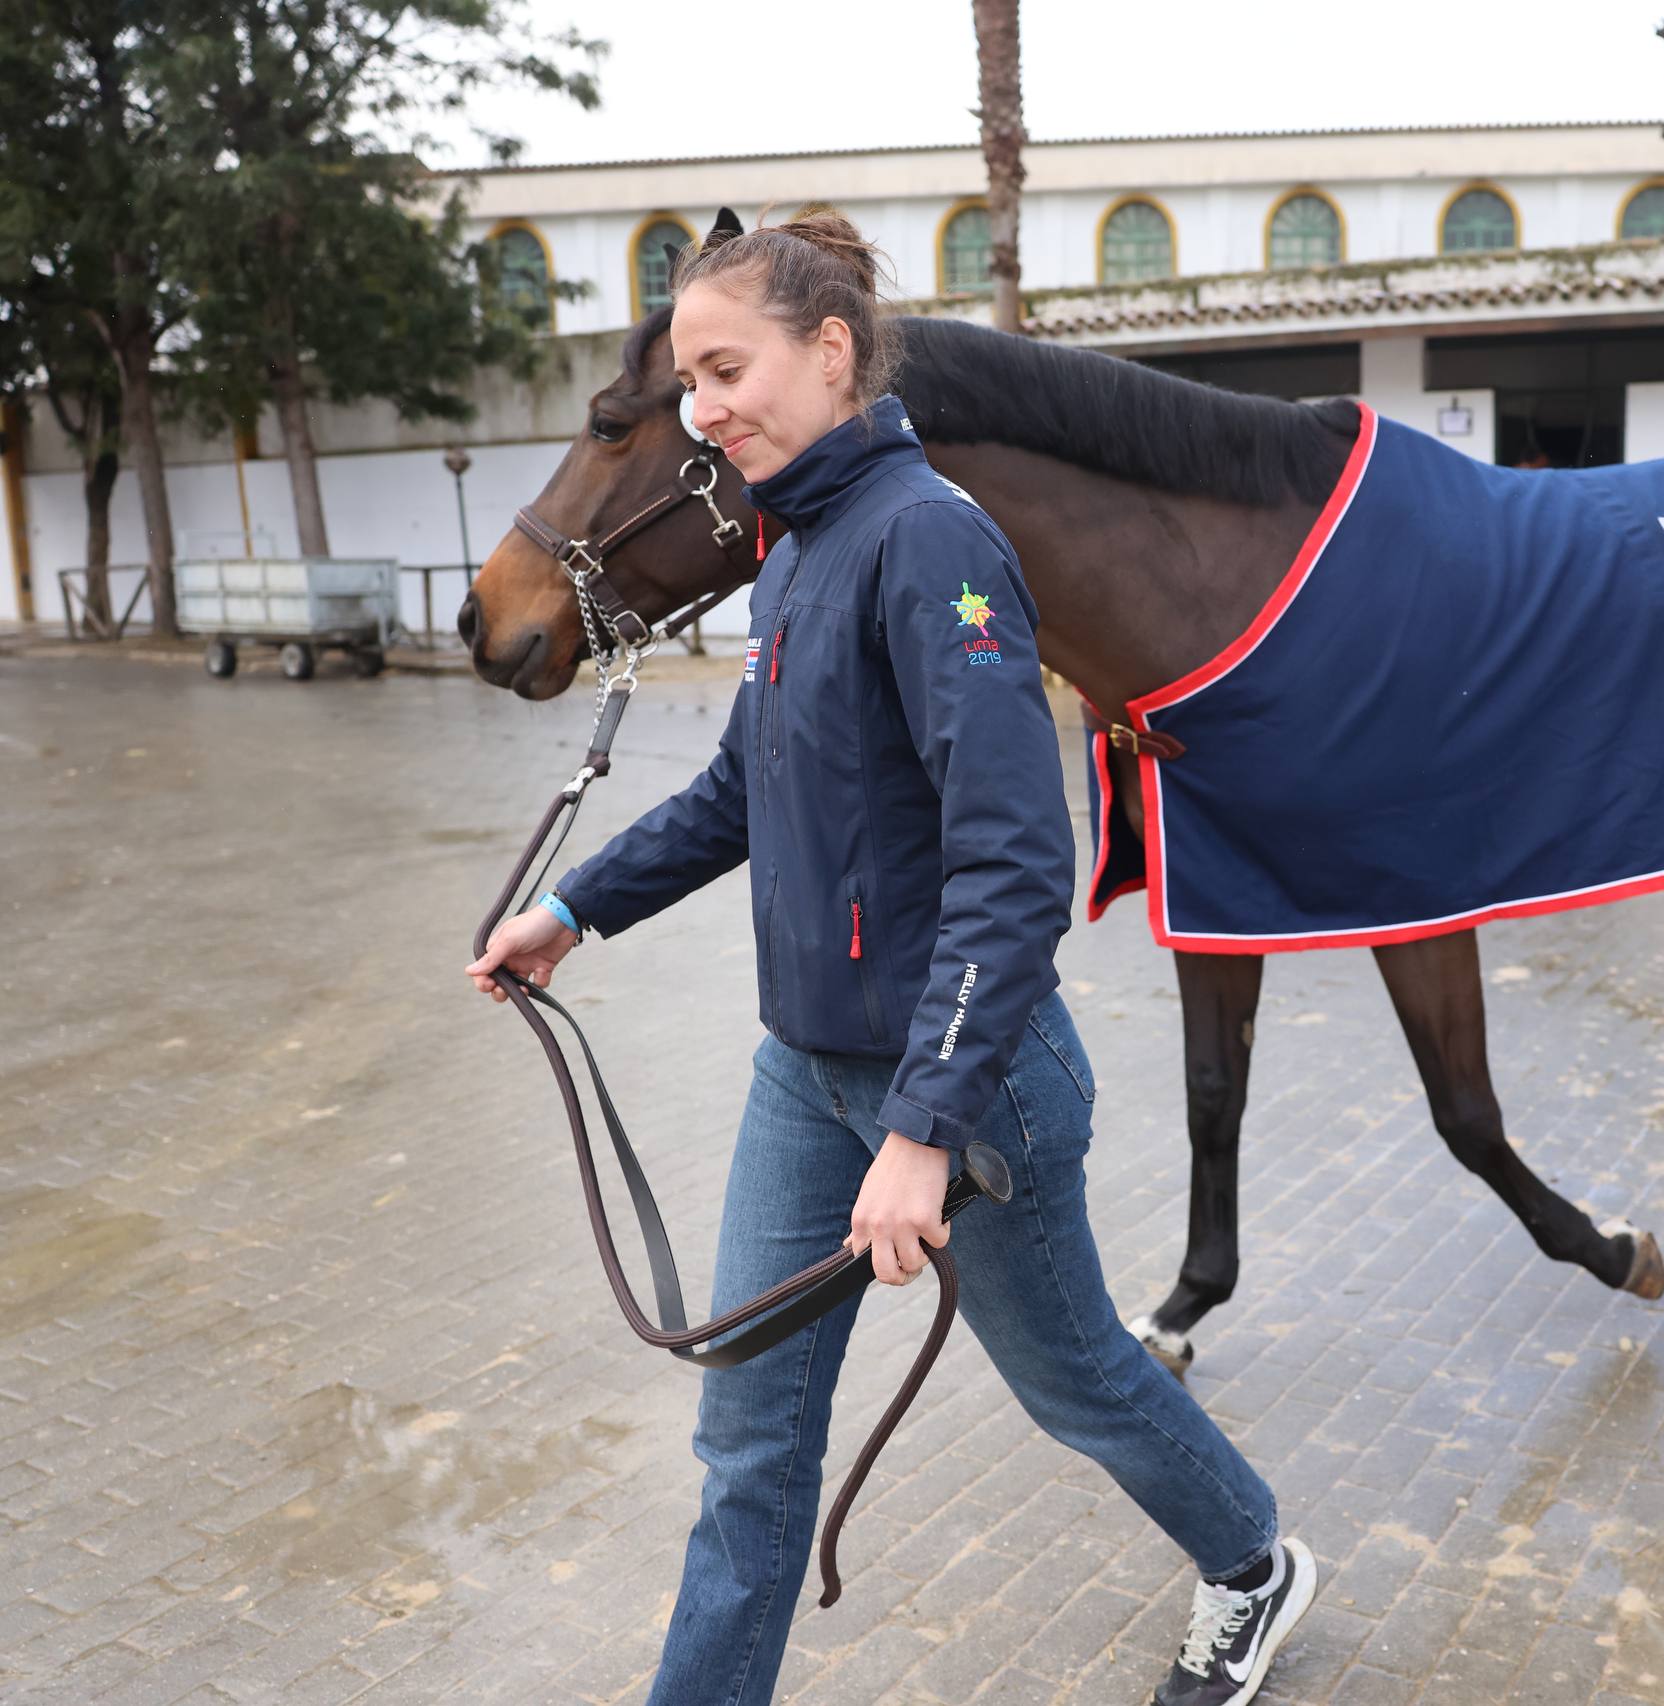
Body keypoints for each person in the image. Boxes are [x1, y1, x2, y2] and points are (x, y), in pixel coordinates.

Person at [466, 211, 1315, 1706]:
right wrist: (573, 909)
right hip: (805, 1076)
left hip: (970, 1094)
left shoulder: (932, 543)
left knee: (1081, 1386)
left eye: (727, 367)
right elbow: (742, 789)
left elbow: (1015, 863)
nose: (705, 407)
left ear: (832, 349)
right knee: (746, 1447)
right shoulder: (788, 545)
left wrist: (923, 1131)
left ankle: (1253, 1563)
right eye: (689, 380)